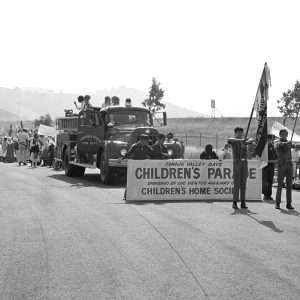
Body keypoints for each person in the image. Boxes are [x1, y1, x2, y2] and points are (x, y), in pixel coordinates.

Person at [228, 127, 249, 209]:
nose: (240, 134)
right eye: (238, 133)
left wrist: (247, 141)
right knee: (237, 184)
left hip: (244, 164)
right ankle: (235, 202)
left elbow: (251, 141)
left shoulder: (244, 142)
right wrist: (242, 140)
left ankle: (243, 202)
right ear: (235, 133)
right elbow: (229, 139)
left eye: (241, 133)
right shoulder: (233, 141)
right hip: (237, 164)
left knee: (243, 184)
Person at [275, 129, 294, 209]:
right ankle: (277, 203)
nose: (284, 135)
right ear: (280, 135)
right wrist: (287, 143)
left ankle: (289, 203)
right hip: (281, 165)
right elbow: (279, 145)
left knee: (289, 186)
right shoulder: (277, 142)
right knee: (280, 185)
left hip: (289, 165)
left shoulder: (289, 142)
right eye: (282, 134)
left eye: (286, 134)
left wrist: (288, 143)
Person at [262, 134, 277, 200]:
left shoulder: (272, 146)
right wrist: (271, 161)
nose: (272, 139)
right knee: (266, 181)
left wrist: (276, 160)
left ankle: (269, 194)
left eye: (272, 138)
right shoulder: (265, 146)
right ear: (268, 138)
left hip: (272, 166)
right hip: (266, 166)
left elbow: (275, 155)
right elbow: (263, 157)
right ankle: (265, 194)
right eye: (271, 138)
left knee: (270, 180)